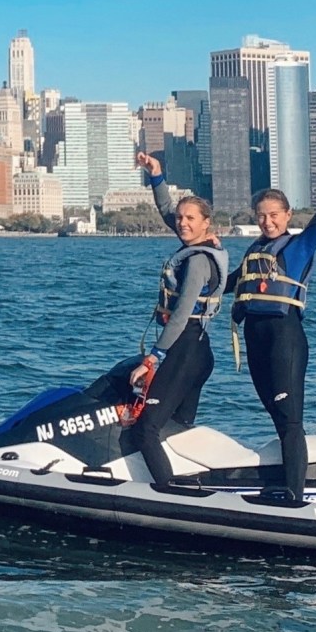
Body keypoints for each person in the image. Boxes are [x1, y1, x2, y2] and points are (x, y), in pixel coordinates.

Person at [226, 142, 316, 502]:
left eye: (274, 214)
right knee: (275, 414)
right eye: (261, 215)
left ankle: (294, 495)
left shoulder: (300, 245)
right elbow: (229, 283)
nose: (267, 221)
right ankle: (287, 481)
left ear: (288, 215)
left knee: (290, 420)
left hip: (284, 339)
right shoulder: (255, 251)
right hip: (255, 341)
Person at [131, 153, 229, 489]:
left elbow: (182, 313)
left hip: (186, 350)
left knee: (147, 428)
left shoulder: (199, 260)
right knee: (176, 425)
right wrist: (157, 176)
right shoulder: (197, 246)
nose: (183, 223)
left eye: (191, 219)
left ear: (207, 225)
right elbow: (165, 211)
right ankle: (187, 481)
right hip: (198, 353)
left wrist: (152, 358)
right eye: (181, 218)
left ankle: (169, 494)